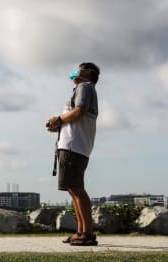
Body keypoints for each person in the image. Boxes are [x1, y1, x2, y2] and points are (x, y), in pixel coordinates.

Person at [46, 62, 100, 246]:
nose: (76, 70)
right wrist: (59, 126)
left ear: (88, 73)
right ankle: (81, 231)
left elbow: (80, 111)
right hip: (71, 145)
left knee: (77, 189)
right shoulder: (81, 88)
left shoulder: (84, 87)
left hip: (73, 146)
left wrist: (58, 119)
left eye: (80, 68)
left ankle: (87, 233)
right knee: (72, 189)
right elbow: (76, 117)